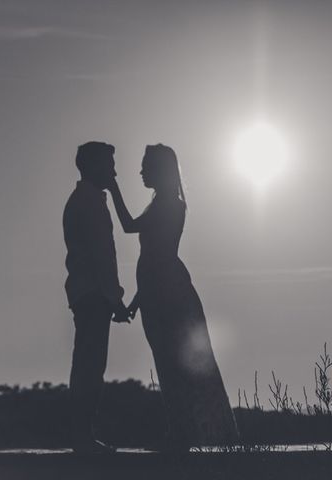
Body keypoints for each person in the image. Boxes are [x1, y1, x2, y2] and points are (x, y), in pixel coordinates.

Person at [108, 144, 239, 451]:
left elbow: (149, 250)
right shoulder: (161, 205)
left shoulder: (171, 206)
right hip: (158, 291)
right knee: (169, 363)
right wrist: (136, 303)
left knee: (177, 364)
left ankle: (186, 434)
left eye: (145, 166)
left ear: (160, 170)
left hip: (168, 293)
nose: (140, 172)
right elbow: (151, 257)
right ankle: (182, 432)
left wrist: (113, 186)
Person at [62, 141, 131, 454]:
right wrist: (115, 299)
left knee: (89, 364)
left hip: (88, 292)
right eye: (110, 165)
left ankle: (82, 434)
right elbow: (101, 257)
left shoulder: (86, 200)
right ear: (91, 166)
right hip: (92, 294)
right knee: (90, 365)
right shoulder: (88, 203)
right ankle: (81, 437)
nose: (114, 172)